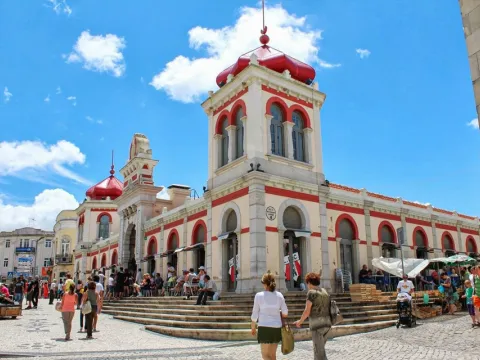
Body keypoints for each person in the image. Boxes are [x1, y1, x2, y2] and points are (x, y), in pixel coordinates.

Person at [250, 272, 288, 360]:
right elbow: (285, 313)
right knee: (273, 355)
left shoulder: (259, 296)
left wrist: (253, 327)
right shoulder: (279, 295)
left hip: (264, 327)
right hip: (276, 327)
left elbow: (255, 314)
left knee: (265, 355)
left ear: (264, 284)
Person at [294, 272, 331, 360]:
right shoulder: (324, 291)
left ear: (309, 283)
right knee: (320, 350)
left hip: (317, 325)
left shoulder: (311, 293)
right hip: (327, 324)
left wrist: (300, 321)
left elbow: (307, 311)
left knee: (319, 354)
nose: (307, 285)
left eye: (307, 283)